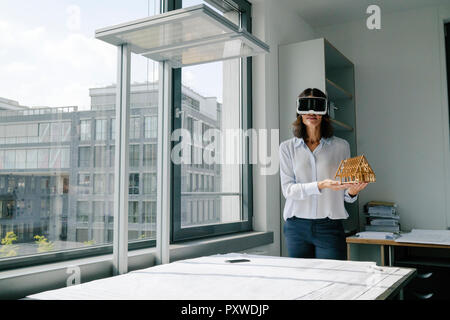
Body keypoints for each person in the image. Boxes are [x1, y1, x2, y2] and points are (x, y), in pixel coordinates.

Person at [279, 88, 368, 260]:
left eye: (317, 106)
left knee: (333, 281)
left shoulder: (341, 146)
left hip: (329, 227)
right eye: (306, 106)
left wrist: (353, 192)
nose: (311, 112)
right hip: (296, 227)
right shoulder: (287, 148)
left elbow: (345, 193)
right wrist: (321, 185)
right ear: (299, 110)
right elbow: (288, 190)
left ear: (325, 111)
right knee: (302, 283)